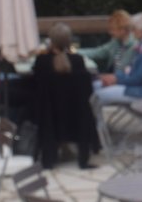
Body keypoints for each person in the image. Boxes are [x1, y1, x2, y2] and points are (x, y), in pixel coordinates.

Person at [28, 23, 102, 170]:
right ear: (69, 41)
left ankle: (48, 156)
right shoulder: (78, 61)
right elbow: (87, 89)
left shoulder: (41, 62)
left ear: (51, 40)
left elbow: (35, 86)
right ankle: (82, 158)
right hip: (75, 113)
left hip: (49, 114)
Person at [96, 12, 142, 103]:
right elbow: (133, 74)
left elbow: (138, 79)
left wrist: (116, 79)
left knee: (97, 96)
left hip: (141, 92)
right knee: (95, 87)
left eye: (134, 29)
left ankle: (93, 117)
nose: (131, 32)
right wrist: (115, 77)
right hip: (134, 87)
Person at [83, 10, 138, 76]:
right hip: (112, 79)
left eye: (113, 29)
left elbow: (125, 70)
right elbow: (97, 52)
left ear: (123, 29)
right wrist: (73, 52)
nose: (110, 32)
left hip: (123, 81)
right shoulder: (115, 42)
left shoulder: (135, 46)